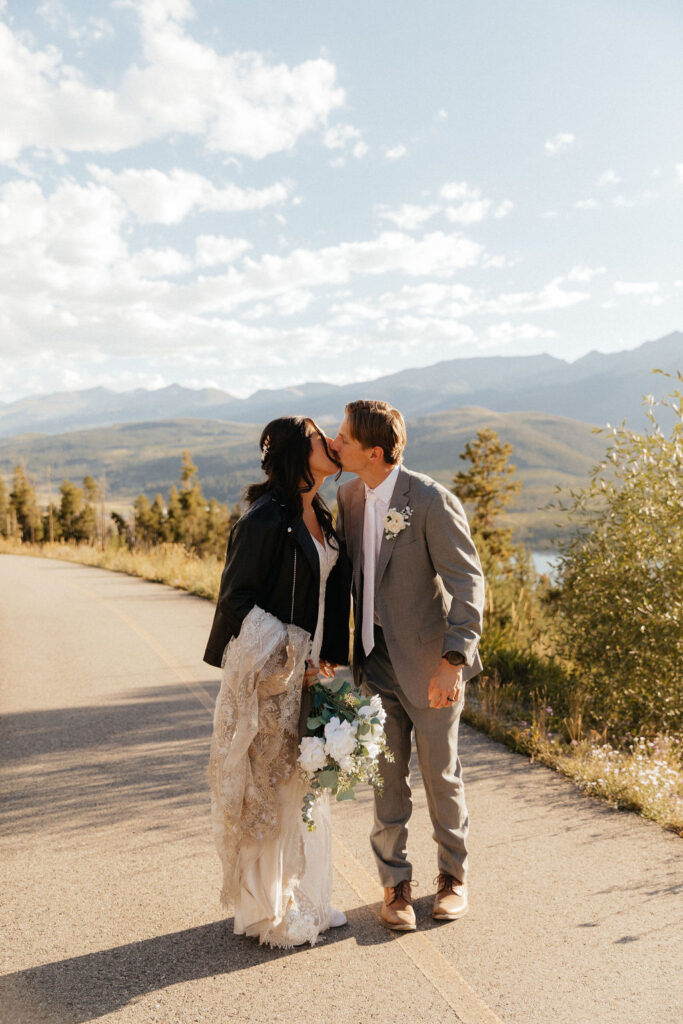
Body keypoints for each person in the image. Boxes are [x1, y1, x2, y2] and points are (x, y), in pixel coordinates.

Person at [330, 400, 485, 932]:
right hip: (373, 663)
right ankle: (395, 885)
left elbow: (468, 585)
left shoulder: (431, 500)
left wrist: (453, 661)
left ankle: (453, 879)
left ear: (373, 452)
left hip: (429, 664)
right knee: (386, 778)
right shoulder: (348, 496)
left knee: (441, 776)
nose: (336, 442)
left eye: (344, 437)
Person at [204, 416, 351, 947]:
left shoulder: (323, 516)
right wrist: (288, 651)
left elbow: (331, 594)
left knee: (304, 785)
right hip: (271, 678)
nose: (331, 443)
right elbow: (235, 601)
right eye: (319, 439)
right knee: (267, 786)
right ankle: (263, 909)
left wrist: (328, 658)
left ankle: (307, 895)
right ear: (295, 452)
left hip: (311, 673)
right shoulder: (266, 518)